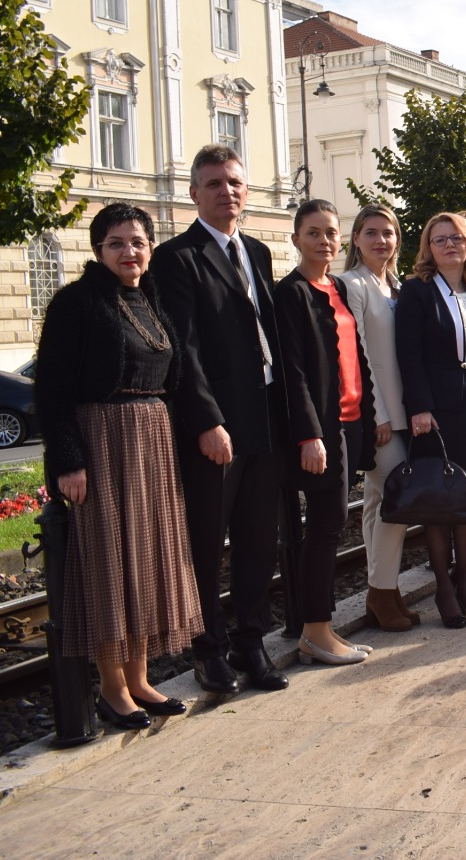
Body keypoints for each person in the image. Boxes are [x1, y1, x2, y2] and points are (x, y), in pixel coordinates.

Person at [36, 203, 202, 730]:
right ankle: (112, 689)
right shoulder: (76, 302)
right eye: (116, 243)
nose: (128, 251)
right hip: (103, 441)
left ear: (150, 248)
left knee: (146, 560)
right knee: (110, 562)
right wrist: (68, 461)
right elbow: (52, 388)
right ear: (98, 250)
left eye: (137, 242)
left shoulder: (150, 299)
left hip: (151, 441)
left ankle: (140, 678)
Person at [151, 145, 287, 696]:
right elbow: (182, 348)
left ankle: (250, 643)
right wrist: (207, 421)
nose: (226, 192)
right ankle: (208, 651)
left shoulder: (256, 251)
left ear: (246, 189)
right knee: (206, 544)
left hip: (264, 417)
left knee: (258, 540)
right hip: (215, 428)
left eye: (234, 182)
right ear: (194, 194)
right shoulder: (176, 258)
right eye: (213, 184)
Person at [274, 200, 377, 666]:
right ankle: (315, 632)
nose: (323, 241)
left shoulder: (336, 287)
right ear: (296, 238)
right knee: (325, 526)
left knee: (332, 525)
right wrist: (308, 434)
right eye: (313, 233)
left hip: (351, 423)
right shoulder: (291, 293)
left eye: (331, 232)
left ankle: (321, 628)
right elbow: (292, 371)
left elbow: (355, 358)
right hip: (323, 429)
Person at [395, 212, 466, 629]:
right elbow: (408, 354)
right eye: (439, 239)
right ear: (429, 247)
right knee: (441, 502)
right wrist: (419, 407)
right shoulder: (417, 291)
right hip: (436, 414)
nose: (448, 245)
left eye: (456, 238)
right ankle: (444, 588)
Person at [335, 205, 417, 633]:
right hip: (380, 415)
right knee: (398, 500)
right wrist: (376, 416)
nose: (381, 240)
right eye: (371, 232)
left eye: (388, 232)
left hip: (405, 411)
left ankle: (382, 591)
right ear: (356, 238)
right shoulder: (352, 284)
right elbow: (359, 354)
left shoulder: (397, 287)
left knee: (377, 503)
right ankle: (383, 593)